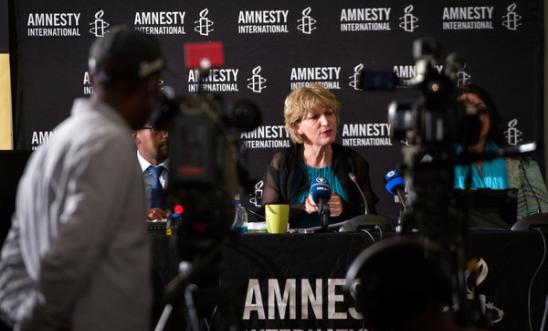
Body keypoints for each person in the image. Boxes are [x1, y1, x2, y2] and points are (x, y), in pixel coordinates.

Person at [0, 26, 166, 331]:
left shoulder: (57, 141)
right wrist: (40, 321)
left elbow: (12, 258)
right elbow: (69, 257)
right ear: (150, 86)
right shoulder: (109, 145)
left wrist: (25, 320)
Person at [261, 84, 378, 228]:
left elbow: (371, 216)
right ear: (297, 127)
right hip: (295, 247)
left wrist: (344, 208)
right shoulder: (283, 162)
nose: (325, 121)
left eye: (329, 113)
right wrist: (304, 207)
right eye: (314, 117)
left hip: (347, 246)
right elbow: (266, 217)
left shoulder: (353, 161)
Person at [455, 83, 548, 221]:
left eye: (479, 109)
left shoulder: (522, 165)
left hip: (510, 242)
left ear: (491, 117)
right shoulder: (433, 163)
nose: (473, 118)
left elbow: (540, 222)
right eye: (464, 111)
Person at [135, 123, 169, 220]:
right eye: (158, 129)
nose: (166, 135)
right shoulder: (119, 174)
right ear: (136, 134)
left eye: (169, 129)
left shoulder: (188, 172)